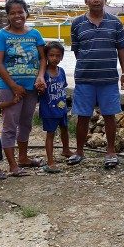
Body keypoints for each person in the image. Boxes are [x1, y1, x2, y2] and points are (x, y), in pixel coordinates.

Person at [68, 0, 124, 168]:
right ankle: (79, 151)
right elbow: (77, 51)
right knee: (82, 116)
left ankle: (111, 152)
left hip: (109, 79)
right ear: (86, 0)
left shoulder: (115, 23)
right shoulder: (77, 23)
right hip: (85, 78)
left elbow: (121, 50)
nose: (96, 0)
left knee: (110, 115)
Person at [0, 0, 46, 176]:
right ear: (7, 16)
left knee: (26, 123)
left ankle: (23, 158)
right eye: (12, 13)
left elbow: (43, 58)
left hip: (31, 87)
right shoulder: (1, 36)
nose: (17, 16)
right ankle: (13, 165)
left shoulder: (35, 34)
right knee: (10, 125)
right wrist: (13, 86)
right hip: (9, 88)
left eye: (20, 12)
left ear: (26, 13)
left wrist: (40, 77)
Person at [37, 41, 72, 173]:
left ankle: (66, 149)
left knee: (65, 129)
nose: (54, 58)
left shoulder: (61, 71)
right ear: (46, 56)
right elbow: (39, 90)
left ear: (62, 57)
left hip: (61, 108)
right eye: (51, 55)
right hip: (49, 110)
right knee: (50, 134)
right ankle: (50, 160)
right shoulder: (43, 74)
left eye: (58, 56)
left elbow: (63, 87)